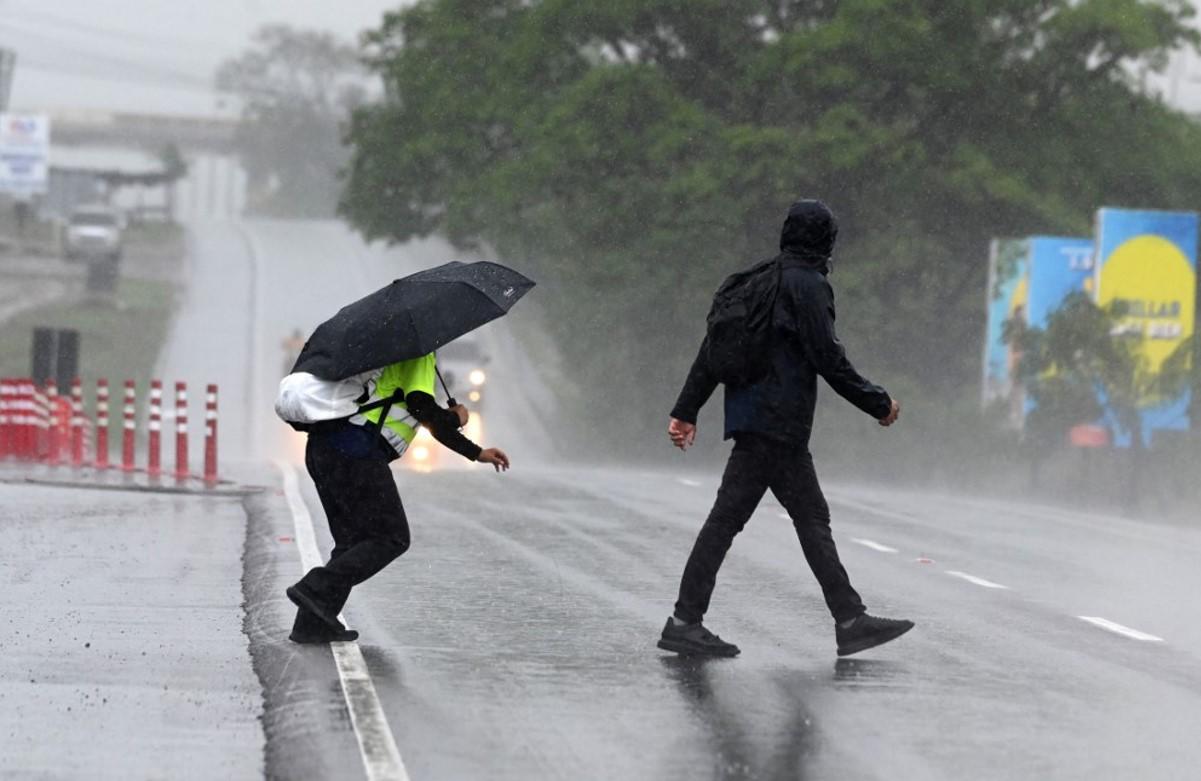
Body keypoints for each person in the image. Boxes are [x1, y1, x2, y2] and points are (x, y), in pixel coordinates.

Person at [658, 199, 914, 658]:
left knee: (747, 521)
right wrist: (878, 403)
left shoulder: (758, 280)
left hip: (754, 421)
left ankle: (689, 619)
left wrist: (687, 408)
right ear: (825, 241)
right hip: (779, 425)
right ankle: (847, 621)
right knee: (798, 520)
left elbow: (711, 347)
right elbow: (828, 357)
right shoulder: (808, 286)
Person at [283, 351, 510, 644]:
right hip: (356, 451)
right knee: (391, 538)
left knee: (352, 542)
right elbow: (422, 408)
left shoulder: (373, 351)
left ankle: (310, 624)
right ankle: (315, 587)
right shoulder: (417, 353)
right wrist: (461, 426)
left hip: (323, 448)